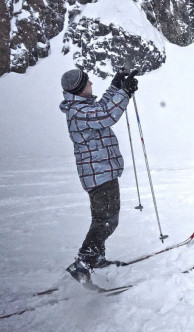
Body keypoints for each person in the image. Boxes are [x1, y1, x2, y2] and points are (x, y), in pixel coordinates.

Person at [59, 68, 138, 285]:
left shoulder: (83, 107)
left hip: (102, 173)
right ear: (79, 88)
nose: (92, 83)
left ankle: (97, 259)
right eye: (87, 83)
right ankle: (83, 262)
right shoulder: (79, 112)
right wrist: (126, 93)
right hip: (98, 175)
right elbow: (107, 115)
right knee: (107, 220)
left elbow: (102, 107)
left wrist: (116, 86)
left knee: (101, 218)